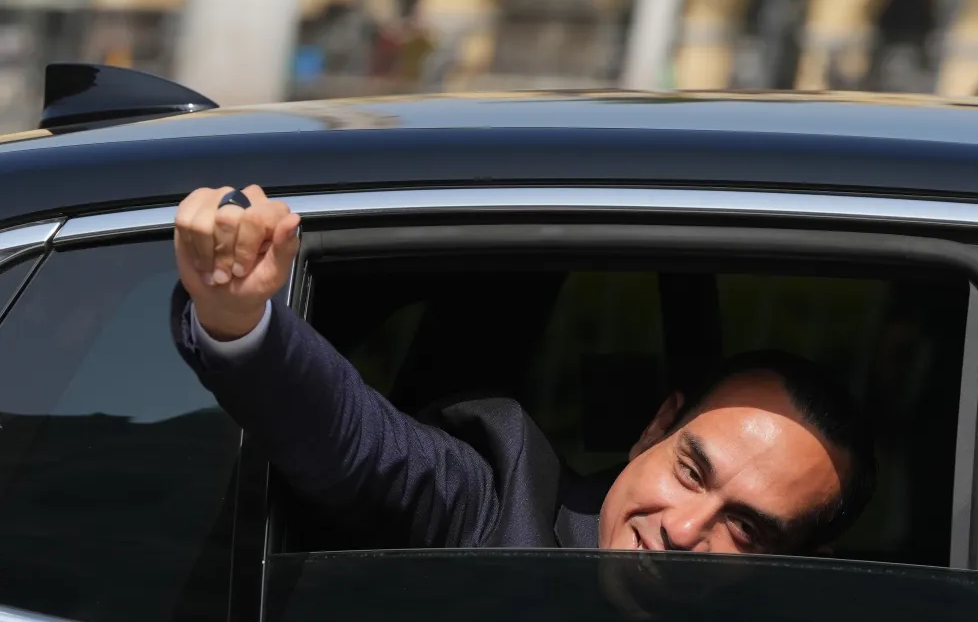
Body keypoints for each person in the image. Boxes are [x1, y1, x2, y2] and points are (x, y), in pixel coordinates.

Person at [170, 185, 875, 554]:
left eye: (746, 528)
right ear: (655, 429)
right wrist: (239, 319)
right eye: (691, 471)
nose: (685, 529)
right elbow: (357, 444)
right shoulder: (502, 503)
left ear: (800, 566)